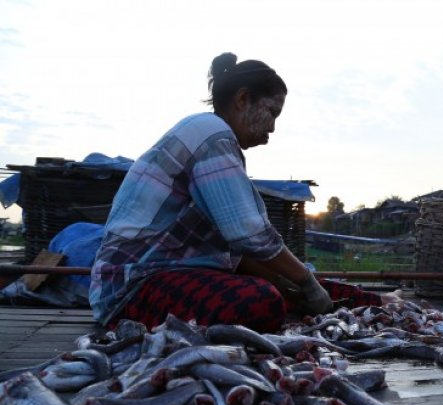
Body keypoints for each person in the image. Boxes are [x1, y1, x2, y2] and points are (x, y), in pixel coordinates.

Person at [89, 52, 383, 332]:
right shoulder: (211, 135)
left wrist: (302, 286)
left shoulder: (212, 136)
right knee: (263, 301)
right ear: (243, 99)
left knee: (289, 290)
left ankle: (380, 300)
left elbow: (239, 255)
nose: (273, 127)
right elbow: (251, 236)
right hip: (131, 289)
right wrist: (305, 280)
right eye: (272, 112)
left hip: (174, 275)